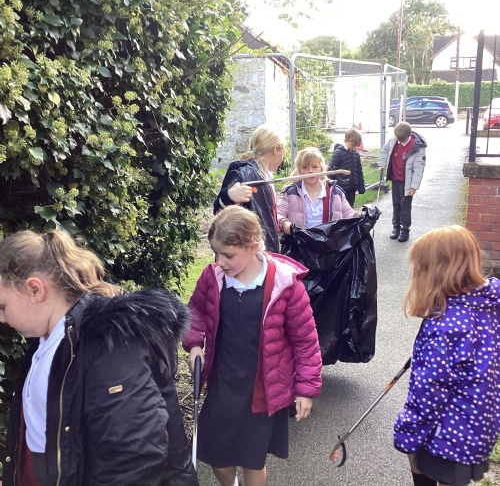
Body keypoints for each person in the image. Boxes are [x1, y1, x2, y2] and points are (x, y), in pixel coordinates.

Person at [0, 230, 198, 486]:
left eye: (3, 307)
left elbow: (132, 461)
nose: (1, 318)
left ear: (35, 289)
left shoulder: (109, 346)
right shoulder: (48, 339)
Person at [183, 205, 322, 486]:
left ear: (253, 247)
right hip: (223, 384)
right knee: (217, 457)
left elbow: (306, 341)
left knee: (252, 460)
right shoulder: (213, 277)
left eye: (228, 255)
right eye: (216, 253)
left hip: (262, 388)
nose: (220, 262)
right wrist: (195, 344)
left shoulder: (286, 286)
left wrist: (305, 390)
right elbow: (195, 312)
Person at [394, 225, 500, 486]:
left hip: (445, 434)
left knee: (419, 465)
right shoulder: (488, 304)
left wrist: (407, 431)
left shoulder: (445, 327)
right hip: (478, 426)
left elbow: (428, 393)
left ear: (434, 272)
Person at [214, 124, 286, 253]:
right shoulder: (245, 172)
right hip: (247, 256)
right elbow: (219, 212)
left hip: (258, 253)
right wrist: (229, 196)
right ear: (277, 149)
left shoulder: (262, 175)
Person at [277, 147, 359, 235]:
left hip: (330, 243)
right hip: (299, 243)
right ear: (300, 171)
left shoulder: (336, 192)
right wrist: (284, 223)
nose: (310, 171)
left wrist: (361, 216)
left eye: (315, 167)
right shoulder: (289, 193)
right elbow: (277, 214)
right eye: (305, 167)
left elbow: (349, 214)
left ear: (321, 169)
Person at [378, 121, 426, 242]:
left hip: (407, 183)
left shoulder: (418, 148)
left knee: (405, 207)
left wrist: (414, 186)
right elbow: (384, 150)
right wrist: (382, 163)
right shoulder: (394, 140)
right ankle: (396, 228)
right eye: (398, 140)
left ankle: (405, 230)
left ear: (409, 136)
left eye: (402, 141)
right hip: (395, 179)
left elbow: (419, 168)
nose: (400, 143)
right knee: (396, 205)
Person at [327, 128, 366, 207]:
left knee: (350, 207)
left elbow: (359, 171)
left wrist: (361, 187)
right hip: (340, 188)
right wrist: (328, 185)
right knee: (340, 208)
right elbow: (330, 170)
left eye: (356, 146)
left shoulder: (356, 154)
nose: (354, 147)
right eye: (352, 145)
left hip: (352, 188)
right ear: (345, 141)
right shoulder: (338, 152)